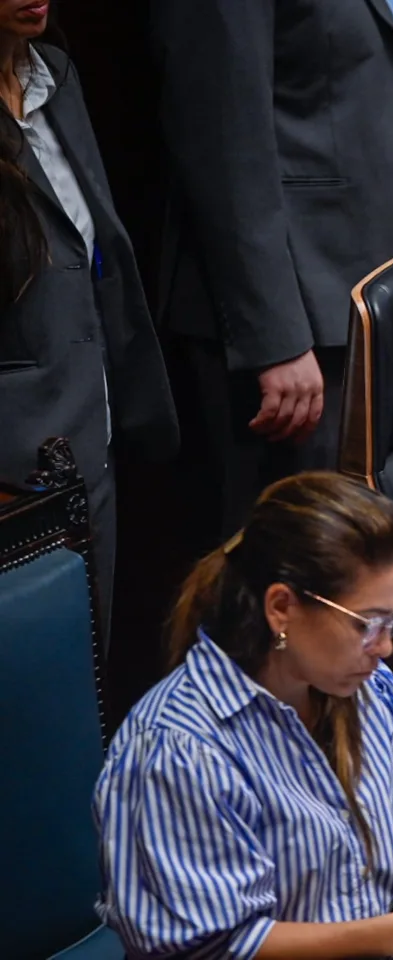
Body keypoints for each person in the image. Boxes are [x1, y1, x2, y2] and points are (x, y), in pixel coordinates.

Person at [94, 473, 393, 958]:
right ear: (282, 608)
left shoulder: (367, 689)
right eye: (368, 623)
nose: (386, 647)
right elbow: (221, 945)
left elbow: (392, 839)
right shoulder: (179, 749)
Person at [150, 0, 393, 540]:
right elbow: (220, 140)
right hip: (300, 323)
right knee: (301, 554)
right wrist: (274, 340)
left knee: (375, 545)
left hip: (388, 286)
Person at [0, 0, 177, 645]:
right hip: (11, 465)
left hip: (85, 442)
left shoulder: (56, 75)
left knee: (86, 673)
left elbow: (94, 252)